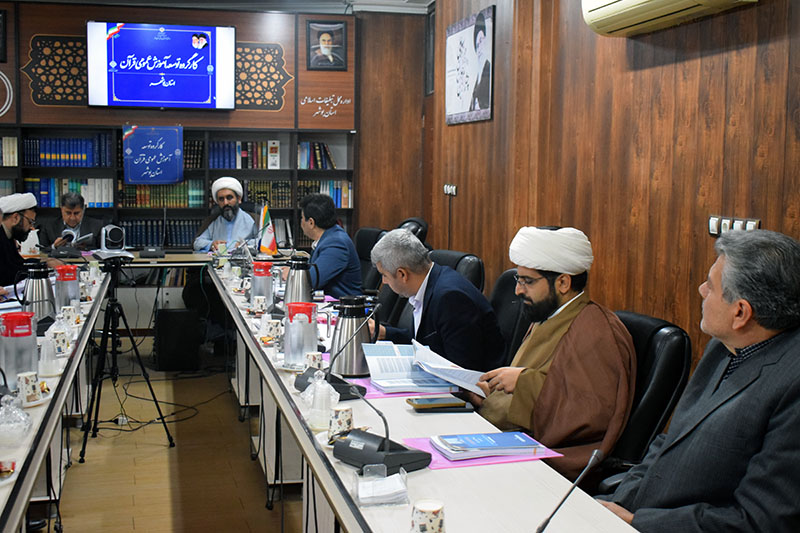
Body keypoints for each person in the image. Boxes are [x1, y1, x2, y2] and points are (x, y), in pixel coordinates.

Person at [598, 229, 800, 532]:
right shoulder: (723, 346)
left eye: (711, 285)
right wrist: (617, 504)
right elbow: (671, 440)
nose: (701, 289)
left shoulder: (792, 386)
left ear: (740, 312)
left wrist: (638, 522)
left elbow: (761, 521)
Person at [466, 226, 636, 480]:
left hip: (549, 461)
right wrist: (489, 393)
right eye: (518, 279)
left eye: (528, 281)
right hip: (501, 436)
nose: (518, 290)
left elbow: (589, 415)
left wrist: (524, 383)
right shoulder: (548, 314)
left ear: (563, 282)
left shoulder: (596, 331)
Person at [370, 228, 505, 372]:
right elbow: (429, 340)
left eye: (384, 275)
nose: (384, 281)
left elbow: (462, 370)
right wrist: (385, 333)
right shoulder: (431, 282)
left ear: (402, 274)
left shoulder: (450, 299)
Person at [298, 193, 361, 298]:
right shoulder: (329, 236)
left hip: (341, 304)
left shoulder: (336, 244)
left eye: (302, 218)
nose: (301, 222)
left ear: (311, 223)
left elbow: (311, 281)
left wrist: (293, 274)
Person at [0, 193, 61, 286]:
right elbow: (10, 274)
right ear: (15, 218)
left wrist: (44, 263)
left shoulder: (8, 236)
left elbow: (18, 265)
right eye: (30, 222)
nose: (31, 227)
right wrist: (44, 264)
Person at [193, 177, 258, 253]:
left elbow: (264, 242)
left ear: (239, 199)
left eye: (229, 198)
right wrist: (211, 244)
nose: (225, 203)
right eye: (221, 199)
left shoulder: (252, 220)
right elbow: (197, 243)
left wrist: (245, 244)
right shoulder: (214, 221)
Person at [37, 192, 103, 250]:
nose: (72, 218)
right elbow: (42, 250)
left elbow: (103, 251)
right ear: (61, 209)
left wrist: (86, 249)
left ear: (83, 210)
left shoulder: (96, 225)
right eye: (68, 213)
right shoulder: (49, 226)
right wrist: (54, 246)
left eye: (76, 213)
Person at [469, 12, 491, 112]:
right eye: (477, 44)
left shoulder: (488, 69)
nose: (480, 48)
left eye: (481, 40)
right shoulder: (476, 76)